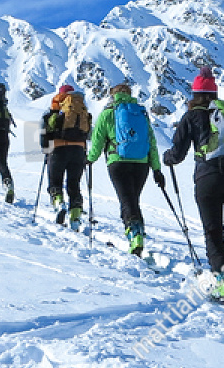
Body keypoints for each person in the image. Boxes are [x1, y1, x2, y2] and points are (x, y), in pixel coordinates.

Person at [162, 67, 224, 304]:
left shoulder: (192, 116)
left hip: (208, 178)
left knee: (213, 231)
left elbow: (178, 153)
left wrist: (166, 158)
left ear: (195, 93)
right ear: (214, 94)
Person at [86, 82, 164, 255]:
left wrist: (90, 159)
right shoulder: (140, 113)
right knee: (133, 198)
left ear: (113, 95)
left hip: (118, 162)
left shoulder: (108, 113)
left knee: (126, 200)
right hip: (142, 164)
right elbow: (151, 142)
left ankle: (135, 235)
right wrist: (156, 169)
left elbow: (98, 140)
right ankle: (138, 232)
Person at [40, 83, 90, 228]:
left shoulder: (55, 109)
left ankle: (59, 204)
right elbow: (88, 133)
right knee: (74, 185)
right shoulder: (81, 110)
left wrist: (45, 149)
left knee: (55, 182)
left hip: (58, 149)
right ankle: (75, 218)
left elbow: (45, 132)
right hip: (78, 151)